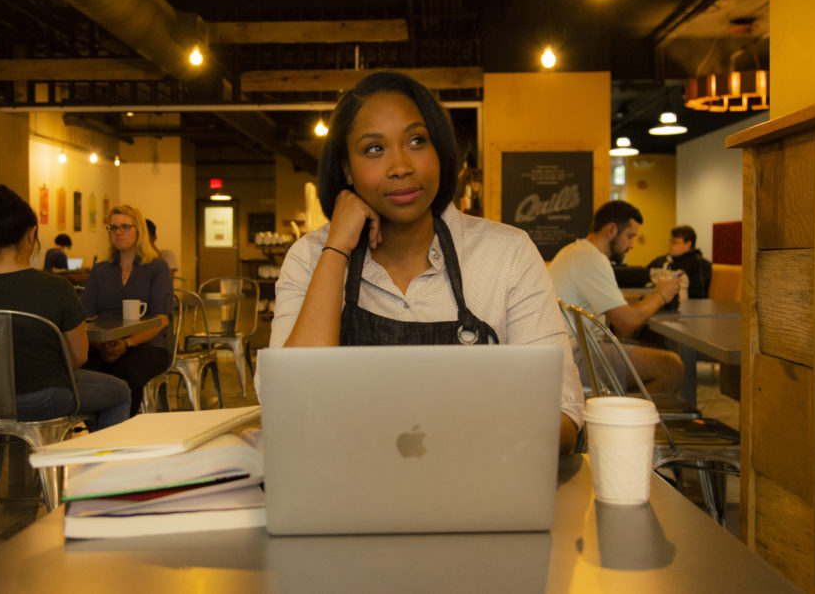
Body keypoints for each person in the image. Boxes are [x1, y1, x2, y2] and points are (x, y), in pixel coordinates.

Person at [268, 71, 583, 452]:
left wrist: (455, 442)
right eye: (374, 149)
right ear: (347, 169)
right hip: (344, 498)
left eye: (417, 141)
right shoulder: (309, 258)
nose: (401, 166)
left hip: (478, 493)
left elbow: (563, 414)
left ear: (440, 152)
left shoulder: (507, 254)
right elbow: (287, 408)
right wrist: (336, 249)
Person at [0, 185, 131, 510]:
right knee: (121, 391)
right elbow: (78, 357)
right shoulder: (55, 288)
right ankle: (99, 484)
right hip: (43, 399)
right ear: (32, 233)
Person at [549, 200, 684, 393]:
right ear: (611, 230)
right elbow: (627, 322)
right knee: (671, 367)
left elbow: (619, 310)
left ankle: (621, 410)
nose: (631, 245)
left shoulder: (573, 251)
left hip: (567, 352)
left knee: (653, 346)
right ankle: (623, 418)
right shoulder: (591, 258)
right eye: (630, 236)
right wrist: (663, 295)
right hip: (576, 357)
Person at [81, 204, 172, 416]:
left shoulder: (157, 268)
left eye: (124, 227)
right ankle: (96, 429)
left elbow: (162, 319)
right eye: (113, 228)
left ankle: (124, 429)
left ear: (138, 230)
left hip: (147, 343)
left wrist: (127, 343)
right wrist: (100, 344)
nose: (118, 232)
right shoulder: (100, 270)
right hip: (102, 344)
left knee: (127, 373)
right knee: (84, 371)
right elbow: (84, 316)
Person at [647, 225, 712, 299]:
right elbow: (646, 275)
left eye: (675, 243)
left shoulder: (700, 264)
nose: (670, 245)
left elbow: (698, 296)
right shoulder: (662, 260)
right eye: (670, 241)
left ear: (688, 244)